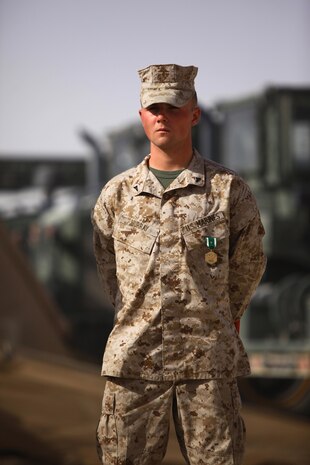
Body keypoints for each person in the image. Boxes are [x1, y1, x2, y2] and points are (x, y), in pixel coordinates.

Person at [92, 63, 266, 465]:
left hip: (207, 365)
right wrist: (135, 313)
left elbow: (249, 263)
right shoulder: (117, 195)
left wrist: (219, 314)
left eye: (173, 107)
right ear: (141, 116)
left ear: (194, 112)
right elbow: (108, 266)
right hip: (134, 363)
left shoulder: (227, 191)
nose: (162, 116)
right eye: (153, 108)